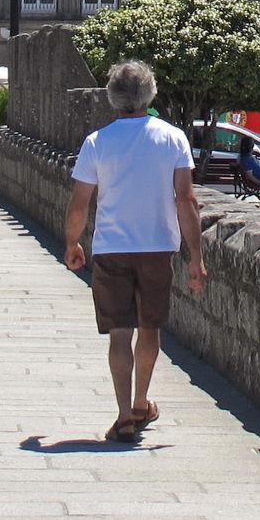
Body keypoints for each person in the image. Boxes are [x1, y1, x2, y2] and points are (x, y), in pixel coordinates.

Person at [63, 61, 207, 443]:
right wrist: (196, 257)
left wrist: (73, 243)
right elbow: (186, 199)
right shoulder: (173, 139)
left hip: (112, 247)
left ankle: (125, 416)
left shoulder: (98, 142)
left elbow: (80, 203)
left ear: (112, 96)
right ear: (150, 93)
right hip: (159, 245)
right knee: (150, 329)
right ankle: (142, 401)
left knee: (119, 335)